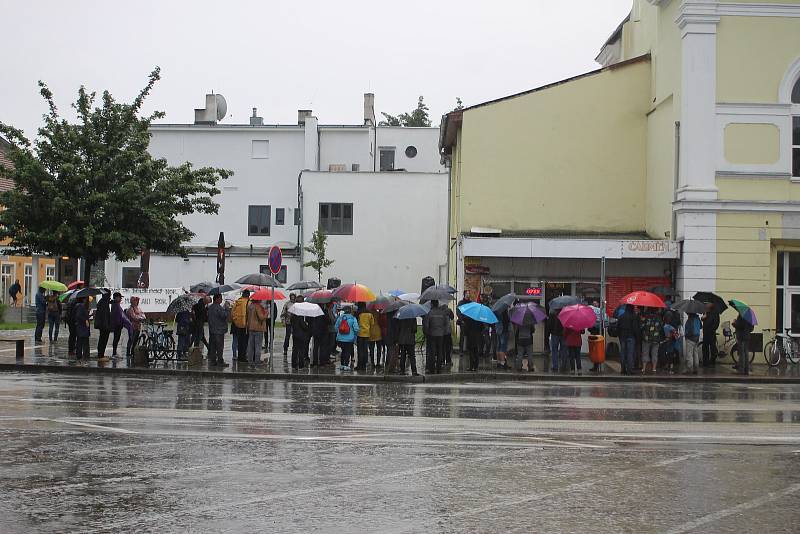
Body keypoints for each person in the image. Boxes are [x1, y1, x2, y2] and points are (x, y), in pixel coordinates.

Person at [423, 300, 449, 373]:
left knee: (432, 352)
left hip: (432, 334)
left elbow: (426, 325)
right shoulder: (442, 313)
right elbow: (445, 323)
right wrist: (443, 331)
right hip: (441, 335)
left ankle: (432, 368)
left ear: (431, 304)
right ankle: (439, 367)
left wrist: (426, 333)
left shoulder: (429, 313)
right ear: (438, 304)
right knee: (440, 351)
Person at [206, 294, 230, 367]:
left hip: (212, 330)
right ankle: (220, 361)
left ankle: (213, 361)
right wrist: (227, 308)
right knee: (219, 346)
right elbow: (224, 315)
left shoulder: (210, 308)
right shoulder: (218, 308)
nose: (221, 300)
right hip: (219, 330)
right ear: (216, 299)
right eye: (220, 298)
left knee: (213, 346)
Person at [616, 304, 640, 375]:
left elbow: (618, 327)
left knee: (623, 352)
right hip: (631, 336)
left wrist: (619, 335)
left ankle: (623, 369)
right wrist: (638, 337)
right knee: (630, 353)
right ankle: (630, 369)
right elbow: (636, 328)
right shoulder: (634, 316)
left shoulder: (621, 316)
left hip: (622, 337)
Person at [335, 306, 360, 370]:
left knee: (343, 351)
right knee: (347, 352)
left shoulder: (340, 318)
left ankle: (342, 365)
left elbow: (336, 328)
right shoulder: (353, 318)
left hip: (340, 339)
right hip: (349, 339)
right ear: (350, 311)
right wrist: (355, 335)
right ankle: (346, 365)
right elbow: (356, 329)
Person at [640, 307, 663, 375]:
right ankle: (654, 369)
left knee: (645, 352)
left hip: (646, 338)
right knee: (654, 353)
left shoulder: (645, 316)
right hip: (656, 338)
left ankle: (644, 368)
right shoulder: (659, 318)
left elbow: (641, 326)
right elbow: (661, 328)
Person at [246, 297, 268, 364]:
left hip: (251, 327)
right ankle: (257, 361)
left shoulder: (250, 306)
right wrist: (266, 313)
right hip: (258, 328)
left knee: (251, 346)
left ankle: (250, 360)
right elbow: (261, 317)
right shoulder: (258, 306)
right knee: (258, 346)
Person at [291, 297, 311, 370]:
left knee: (295, 349)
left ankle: (294, 365)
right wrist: (307, 326)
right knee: (301, 350)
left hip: (295, 334)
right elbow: (303, 325)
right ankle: (301, 365)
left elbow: (292, 322)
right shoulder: (300, 314)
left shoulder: (293, 312)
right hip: (301, 334)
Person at [230, 289, 250, 362]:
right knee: (245, 342)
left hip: (238, 325)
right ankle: (243, 357)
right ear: (248, 295)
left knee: (239, 341)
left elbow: (232, 314)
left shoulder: (237, 302)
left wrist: (236, 321)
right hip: (246, 325)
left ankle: (239, 356)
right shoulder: (249, 302)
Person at [732, 310, 754, 376]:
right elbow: (751, 328)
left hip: (741, 336)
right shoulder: (749, 316)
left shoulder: (742, 316)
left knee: (742, 353)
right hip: (747, 336)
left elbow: (740, 326)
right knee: (746, 353)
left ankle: (742, 369)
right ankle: (746, 370)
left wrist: (734, 323)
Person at [110, 292, 130, 357]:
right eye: (120, 297)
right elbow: (117, 315)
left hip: (118, 325)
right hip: (117, 325)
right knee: (116, 339)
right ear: (116, 297)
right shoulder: (115, 305)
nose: (121, 299)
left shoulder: (116, 304)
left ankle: (114, 353)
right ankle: (114, 353)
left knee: (116, 339)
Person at [94, 291, 112, 362]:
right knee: (103, 340)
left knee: (102, 339)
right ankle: (101, 355)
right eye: (109, 294)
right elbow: (104, 316)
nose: (110, 296)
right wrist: (107, 326)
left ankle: (101, 354)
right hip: (104, 325)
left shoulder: (103, 301)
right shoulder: (104, 303)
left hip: (102, 325)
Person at [701, 303, 720, 367]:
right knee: (705, 347)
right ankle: (705, 362)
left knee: (712, 348)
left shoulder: (715, 313)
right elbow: (703, 319)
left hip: (711, 333)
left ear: (712, 305)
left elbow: (716, 323)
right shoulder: (706, 312)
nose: (706, 304)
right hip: (705, 333)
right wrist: (703, 318)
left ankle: (712, 361)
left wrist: (711, 329)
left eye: (708, 303)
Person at [356, 303, 373, 371]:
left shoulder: (358, 313)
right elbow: (372, 323)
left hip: (359, 334)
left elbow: (356, 322)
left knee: (360, 350)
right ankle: (364, 364)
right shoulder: (370, 314)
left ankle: (359, 365)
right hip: (367, 334)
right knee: (365, 349)